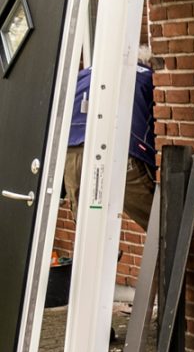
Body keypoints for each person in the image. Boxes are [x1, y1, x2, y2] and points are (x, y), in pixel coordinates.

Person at [64, 46, 156, 230]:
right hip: (119, 148)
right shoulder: (147, 77)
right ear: (145, 61)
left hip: (72, 151)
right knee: (159, 227)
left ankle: (90, 257)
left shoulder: (83, 75)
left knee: (86, 229)